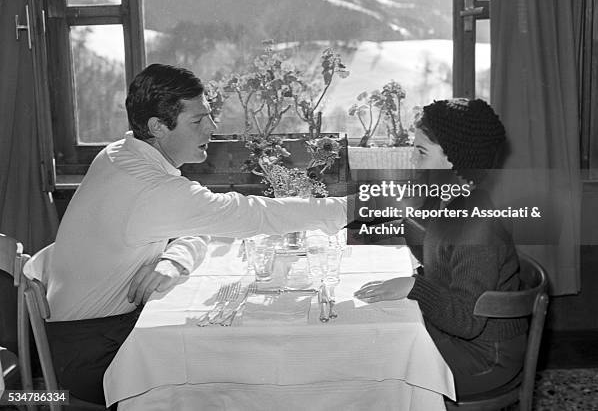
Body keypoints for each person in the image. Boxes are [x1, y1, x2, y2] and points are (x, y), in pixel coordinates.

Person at [46, 63, 348, 405]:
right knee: (236, 368)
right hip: (89, 355)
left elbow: (197, 224)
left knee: (229, 352)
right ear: (158, 127)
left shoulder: (121, 154)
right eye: (198, 121)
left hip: (91, 332)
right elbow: (245, 215)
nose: (213, 127)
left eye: (209, 116)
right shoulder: (151, 187)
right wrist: (350, 209)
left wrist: (174, 260)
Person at [355, 98, 527, 398]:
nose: (412, 159)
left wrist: (414, 286)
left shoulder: (477, 224)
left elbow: (467, 321)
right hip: (455, 336)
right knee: (374, 343)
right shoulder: (447, 201)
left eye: (421, 152)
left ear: (455, 160)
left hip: (485, 358)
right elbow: (441, 261)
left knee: (377, 373)